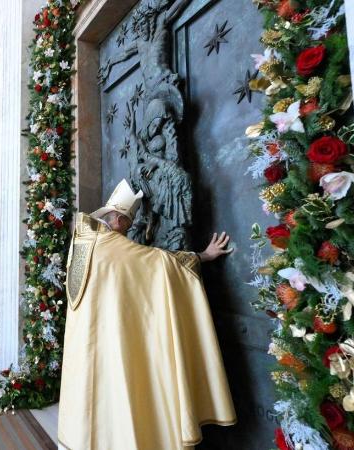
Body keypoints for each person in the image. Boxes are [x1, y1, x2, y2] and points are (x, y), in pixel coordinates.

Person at [58, 179, 236, 449]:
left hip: (87, 345)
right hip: (105, 343)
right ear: (117, 220)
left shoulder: (82, 240)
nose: (128, 233)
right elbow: (159, 264)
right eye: (128, 226)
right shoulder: (111, 247)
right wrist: (203, 256)